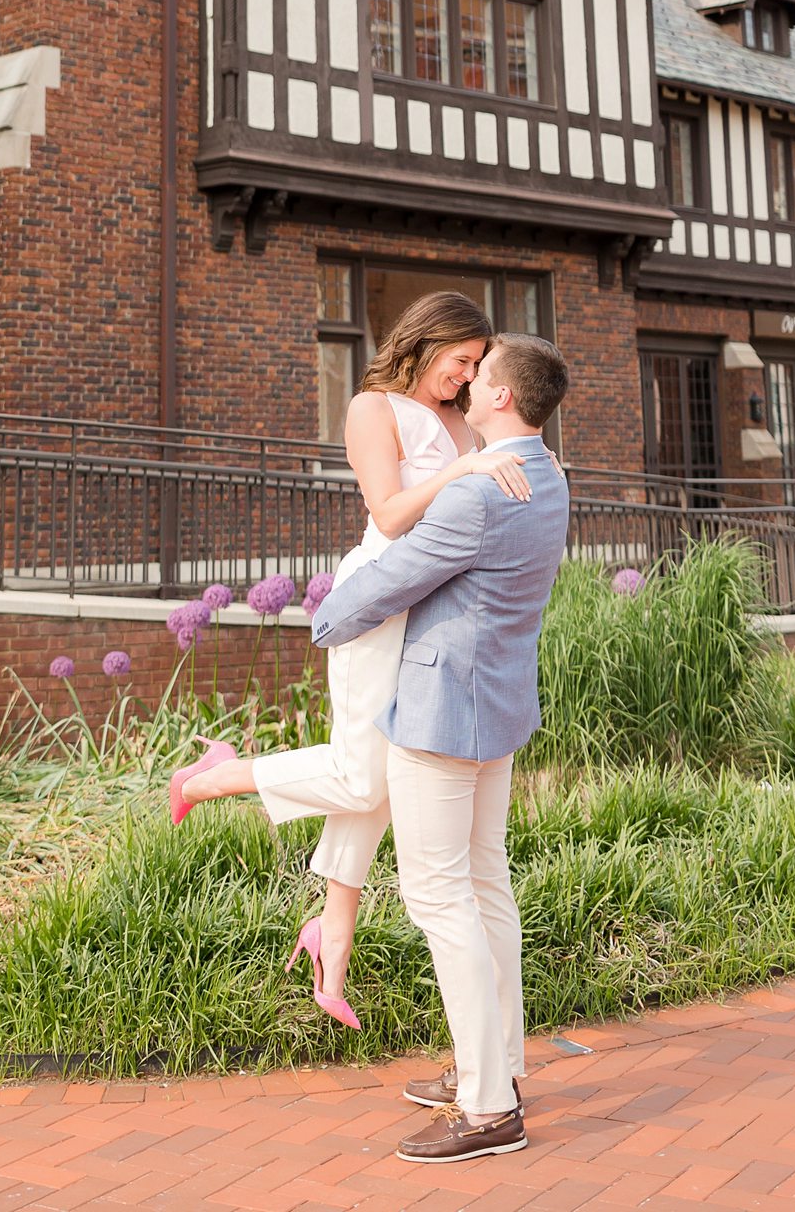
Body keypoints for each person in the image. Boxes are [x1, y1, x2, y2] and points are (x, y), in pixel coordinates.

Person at [170, 289, 533, 1025]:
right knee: (364, 773)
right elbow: (391, 514)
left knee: (384, 779)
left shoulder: (462, 420)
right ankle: (216, 778)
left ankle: (331, 933)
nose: (465, 378)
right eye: (460, 361)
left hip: (432, 612)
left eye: (473, 368)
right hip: (379, 600)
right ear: (428, 343)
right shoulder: (373, 408)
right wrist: (464, 473)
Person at [311, 333, 570, 1166]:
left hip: (438, 715)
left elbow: (390, 581)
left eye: (479, 375)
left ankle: (487, 1107)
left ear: (500, 398)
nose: (467, 383)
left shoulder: (479, 496)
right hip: (496, 708)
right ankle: (498, 1069)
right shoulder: (550, 475)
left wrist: (325, 617)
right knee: (486, 886)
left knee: (439, 899)